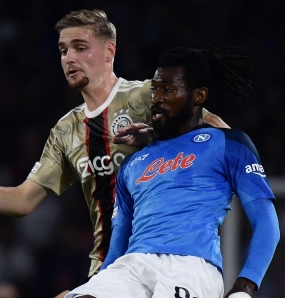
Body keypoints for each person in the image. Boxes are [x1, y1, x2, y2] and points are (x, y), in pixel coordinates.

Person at [0, 9, 227, 293]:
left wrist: (160, 138)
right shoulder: (67, 130)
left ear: (109, 52)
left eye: (80, 47)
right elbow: (23, 200)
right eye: (63, 51)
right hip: (111, 269)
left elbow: (221, 136)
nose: (68, 58)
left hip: (173, 258)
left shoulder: (147, 95)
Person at [65, 45, 280, 298]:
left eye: (168, 90)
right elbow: (118, 242)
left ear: (198, 96)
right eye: (155, 90)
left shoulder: (230, 144)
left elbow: (266, 222)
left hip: (191, 266)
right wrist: (98, 283)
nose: (157, 98)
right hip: (132, 265)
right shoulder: (133, 164)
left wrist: (244, 286)